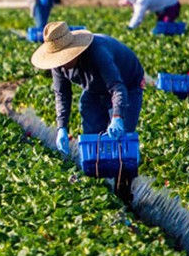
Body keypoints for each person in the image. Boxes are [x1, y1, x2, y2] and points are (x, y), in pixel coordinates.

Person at [30, 21, 145, 156]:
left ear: (74, 51)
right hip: (94, 88)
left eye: (64, 58)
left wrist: (117, 116)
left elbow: (117, 87)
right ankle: (97, 170)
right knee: (93, 136)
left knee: (121, 138)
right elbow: (62, 95)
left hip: (126, 84)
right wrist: (62, 127)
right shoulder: (58, 66)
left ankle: (123, 173)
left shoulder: (98, 52)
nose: (62, 63)